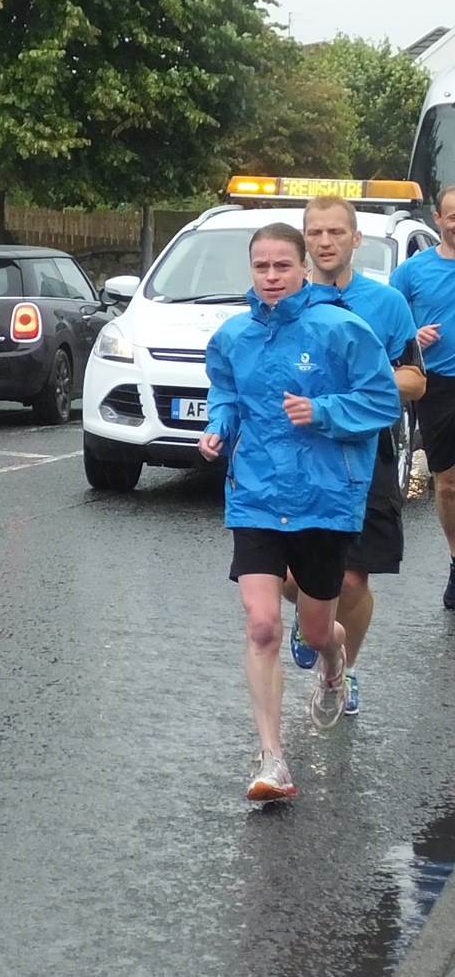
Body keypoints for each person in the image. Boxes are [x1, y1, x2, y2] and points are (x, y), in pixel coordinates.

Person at [199, 222, 399, 803]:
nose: (270, 277)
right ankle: (272, 758)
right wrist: (217, 428)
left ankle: (334, 665)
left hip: (324, 497)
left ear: (303, 266)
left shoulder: (341, 328)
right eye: (261, 267)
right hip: (256, 494)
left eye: (281, 266)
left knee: (315, 631)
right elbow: (226, 395)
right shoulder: (234, 335)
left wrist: (323, 409)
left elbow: (383, 399)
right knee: (262, 625)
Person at [281, 196, 426, 718]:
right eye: (315, 233)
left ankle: (339, 672)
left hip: (367, 454)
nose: (325, 242)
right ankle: (309, 616)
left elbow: (414, 379)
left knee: (353, 578)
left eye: (336, 232)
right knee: (287, 576)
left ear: (355, 239)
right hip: (298, 453)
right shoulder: (286, 297)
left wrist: (361, 382)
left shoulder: (385, 304)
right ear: (305, 240)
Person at [389, 185, 455, 608]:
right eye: (453, 215)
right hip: (439, 382)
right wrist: (413, 334)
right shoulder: (413, 272)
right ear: (439, 219)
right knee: (447, 485)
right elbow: (389, 319)